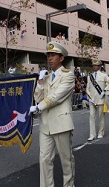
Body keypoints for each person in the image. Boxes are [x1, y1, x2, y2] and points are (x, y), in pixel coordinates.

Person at [29, 41, 75, 187]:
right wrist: (40, 83)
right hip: (45, 124)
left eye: (53, 55)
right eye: (48, 55)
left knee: (66, 159)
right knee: (44, 159)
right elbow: (38, 98)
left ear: (61, 58)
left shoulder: (68, 76)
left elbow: (57, 97)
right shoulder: (46, 77)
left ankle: (69, 185)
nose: (50, 58)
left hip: (61, 123)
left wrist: (38, 107)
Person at [86, 59, 109, 141]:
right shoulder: (89, 76)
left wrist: (105, 90)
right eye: (93, 65)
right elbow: (87, 88)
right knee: (91, 117)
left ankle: (100, 133)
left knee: (100, 117)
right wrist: (89, 97)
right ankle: (92, 135)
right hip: (92, 100)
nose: (94, 67)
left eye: (96, 65)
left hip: (101, 99)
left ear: (99, 66)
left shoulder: (103, 75)